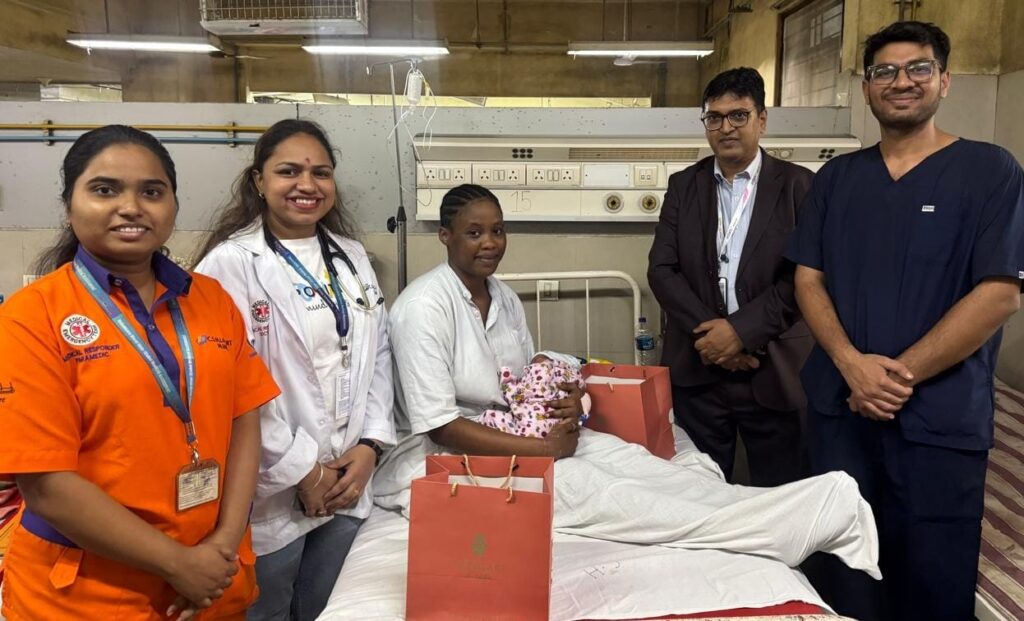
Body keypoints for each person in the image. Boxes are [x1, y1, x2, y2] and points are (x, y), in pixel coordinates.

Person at [374, 183, 882, 578]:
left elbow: (526, 379)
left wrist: (568, 401)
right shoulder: (423, 309)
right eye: (474, 233)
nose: (490, 243)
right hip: (445, 457)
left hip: (517, 434)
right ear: (445, 236)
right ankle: (786, 523)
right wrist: (544, 452)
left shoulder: (502, 297)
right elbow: (440, 426)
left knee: (631, 460)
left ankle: (776, 506)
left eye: (498, 230)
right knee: (602, 491)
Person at [786, 21, 1024, 621]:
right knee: (841, 569)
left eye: (919, 68)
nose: (901, 82)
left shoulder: (989, 171)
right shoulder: (838, 179)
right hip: (841, 411)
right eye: (884, 71)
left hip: (937, 418)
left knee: (932, 578)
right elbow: (808, 279)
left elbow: (999, 294)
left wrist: (895, 378)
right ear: (867, 88)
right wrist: (851, 366)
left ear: (944, 80)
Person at [0, 125, 280, 620]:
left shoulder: (211, 300)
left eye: (152, 192)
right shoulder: (31, 317)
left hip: (212, 581)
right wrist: (179, 564)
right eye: (105, 189)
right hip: (87, 595)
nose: (131, 207)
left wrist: (221, 546)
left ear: (173, 204)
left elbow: (244, 420)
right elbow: (45, 484)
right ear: (69, 204)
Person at [193, 119, 395, 621]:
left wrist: (370, 446)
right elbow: (230, 387)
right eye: (289, 171)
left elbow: (378, 354)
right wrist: (304, 470)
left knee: (328, 609)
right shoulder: (229, 265)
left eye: (320, 172)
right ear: (259, 181)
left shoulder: (350, 257)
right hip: (272, 490)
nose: (307, 184)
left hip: (347, 479)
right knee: (267, 608)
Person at [648, 67, 814, 487]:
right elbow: (662, 270)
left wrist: (740, 333)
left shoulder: (799, 187)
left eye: (738, 115)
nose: (726, 128)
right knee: (699, 491)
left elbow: (801, 277)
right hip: (699, 369)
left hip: (774, 368)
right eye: (714, 117)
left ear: (762, 119)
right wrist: (714, 339)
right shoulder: (684, 186)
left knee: (781, 494)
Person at [479, 352, 588, 438]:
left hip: (532, 424)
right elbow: (580, 386)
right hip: (550, 427)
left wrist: (506, 377)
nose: (537, 361)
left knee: (492, 417)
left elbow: (512, 395)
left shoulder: (533, 382)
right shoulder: (568, 375)